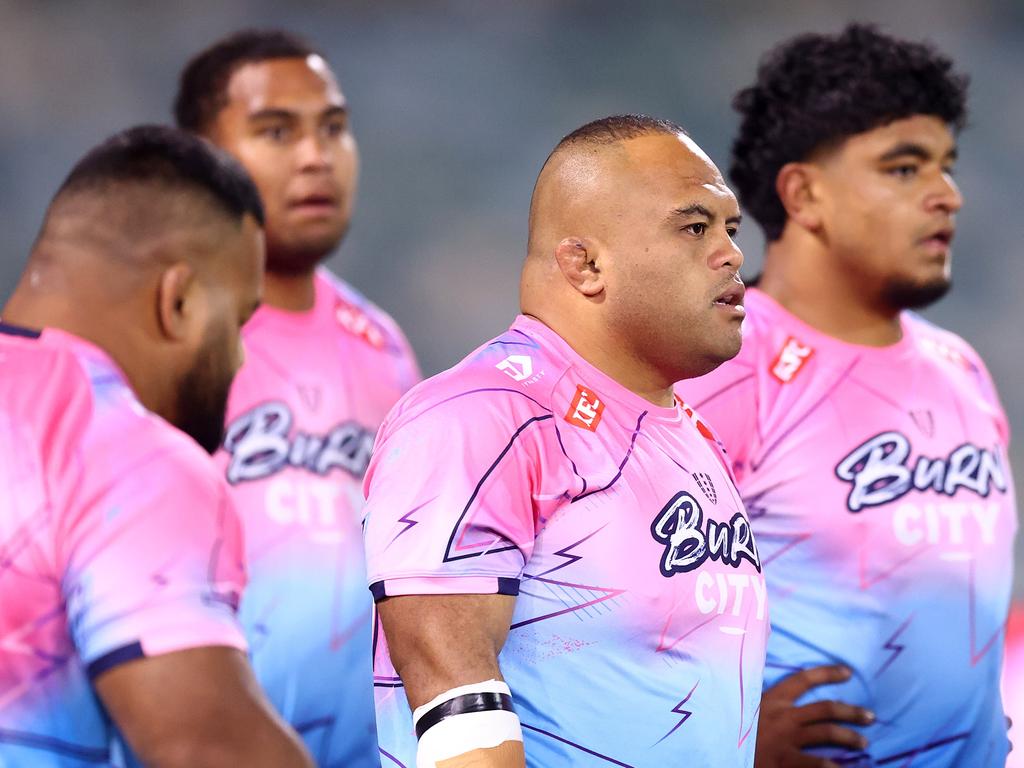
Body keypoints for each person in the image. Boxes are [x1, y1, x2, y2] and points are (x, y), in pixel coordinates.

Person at [362, 114, 767, 768]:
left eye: (730, 228)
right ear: (585, 264)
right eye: (694, 227)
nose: (730, 252)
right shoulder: (482, 415)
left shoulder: (690, 435)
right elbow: (449, 691)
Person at [680, 24, 1017, 767]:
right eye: (904, 168)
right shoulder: (721, 369)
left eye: (947, 166)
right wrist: (714, 740)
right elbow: (595, 605)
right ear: (805, 194)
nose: (947, 196)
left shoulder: (960, 368)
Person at [0, 125, 311, 767]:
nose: (242, 355)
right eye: (239, 321)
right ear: (179, 302)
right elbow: (214, 752)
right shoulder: (122, 455)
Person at [174, 30, 420, 767]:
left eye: (333, 128)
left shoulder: (382, 344)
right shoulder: (164, 332)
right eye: (276, 130)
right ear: (197, 156)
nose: (316, 155)